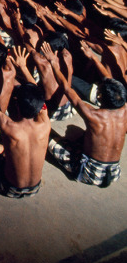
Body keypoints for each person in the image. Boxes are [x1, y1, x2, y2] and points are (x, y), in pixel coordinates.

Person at [42, 42, 127, 187]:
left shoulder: (92, 115)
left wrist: (53, 62)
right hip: (113, 172)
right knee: (76, 132)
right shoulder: (124, 108)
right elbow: (108, 79)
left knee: (46, 136)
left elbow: (67, 88)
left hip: (89, 172)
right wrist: (93, 57)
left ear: (100, 98)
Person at [0, 46, 51, 199]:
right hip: (35, 188)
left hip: (9, 187)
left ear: (17, 106)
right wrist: (23, 67)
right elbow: (39, 97)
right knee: (6, 148)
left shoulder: (9, 127)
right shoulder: (45, 124)